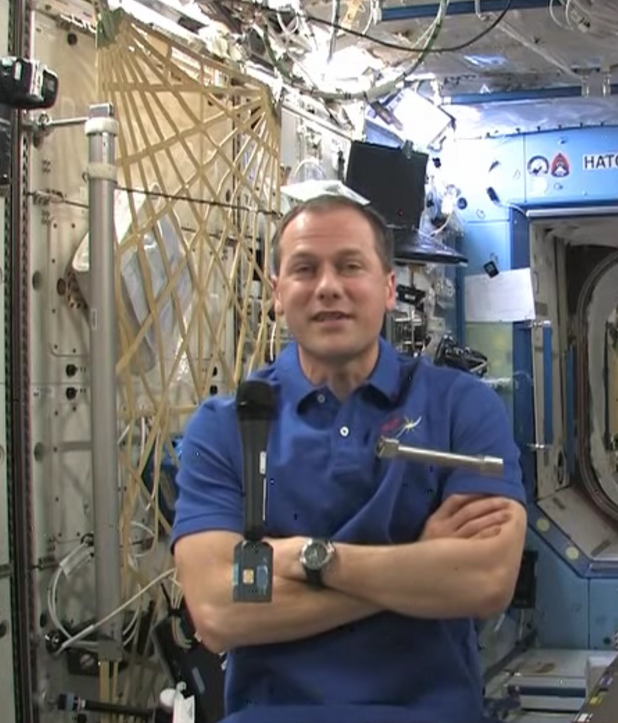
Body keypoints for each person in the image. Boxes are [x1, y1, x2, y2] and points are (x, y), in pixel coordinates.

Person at [170, 194, 529, 723]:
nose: (328, 286)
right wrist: (419, 564)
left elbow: (485, 580)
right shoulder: (225, 428)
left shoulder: (461, 407)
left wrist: (300, 558)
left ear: (389, 288)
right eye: (305, 269)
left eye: (350, 266)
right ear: (277, 293)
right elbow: (218, 613)